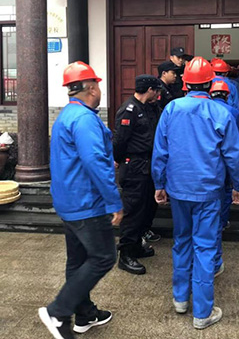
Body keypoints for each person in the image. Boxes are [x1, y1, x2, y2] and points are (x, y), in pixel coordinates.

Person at [152, 56, 239, 329]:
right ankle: (202, 313)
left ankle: (180, 299)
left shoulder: (171, 109)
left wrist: (159, 184)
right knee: (205, 247)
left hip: (179, 189)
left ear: (185, 83)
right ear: (210, 83)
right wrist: (238, 186)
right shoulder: (221, 112)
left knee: (182, 241)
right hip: (208, 191)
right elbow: (234, 156)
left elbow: (160, 151)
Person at [39, 61, 123, 339]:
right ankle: (58, 311)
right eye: (98, 85)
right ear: (92, 88)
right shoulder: (85, 119)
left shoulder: (67, 115)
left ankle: (84, 314)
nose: (100, 90)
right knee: (103, 257)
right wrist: (113, 201)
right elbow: (95, 161)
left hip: (68, 201)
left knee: (77, 260)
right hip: (87, 202)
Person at [114, 75, 162, 275]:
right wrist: (117, 159)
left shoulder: (148, 108)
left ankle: (136, 246)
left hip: (148, 165)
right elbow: (120, 141)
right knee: (133, 211)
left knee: (146, 208)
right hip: (134, 166)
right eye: (156, 91)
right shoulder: (129, 109)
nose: (158, 95)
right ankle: (125, 254)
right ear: (149, 90)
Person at [209, 80, 239, 277]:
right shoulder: (233, 112)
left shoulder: (203, 109)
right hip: (225, 158)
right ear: (227, 95)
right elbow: (236, 140)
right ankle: (223, 222)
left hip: (206, 164)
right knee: (226, 191)